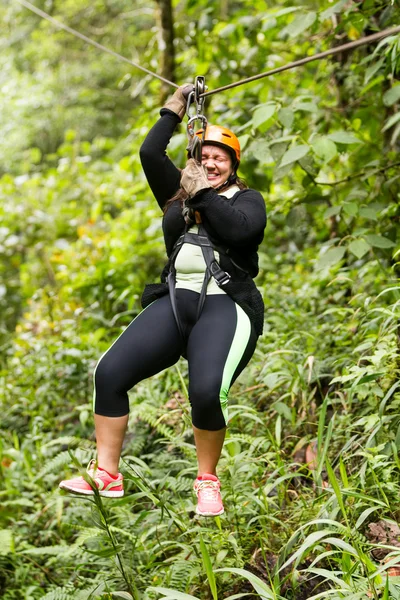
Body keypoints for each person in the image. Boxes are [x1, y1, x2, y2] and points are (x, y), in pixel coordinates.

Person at [59, 85, 267, 516]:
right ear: (195, 159)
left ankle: (208, 482)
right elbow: (150, 153)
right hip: (175, 301)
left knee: (207, 392)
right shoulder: (177, 190)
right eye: (203, 156)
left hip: (225, 304)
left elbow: (243, 233)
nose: (210, 163)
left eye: (219, 158)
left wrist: (202, 194)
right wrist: (174, 109)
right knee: (109, 373)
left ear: (232, 167)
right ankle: (107, 474)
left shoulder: (246, 200)